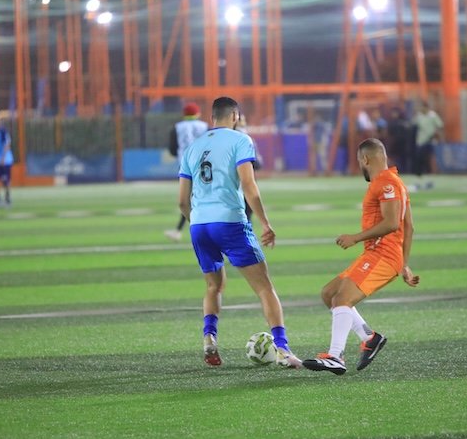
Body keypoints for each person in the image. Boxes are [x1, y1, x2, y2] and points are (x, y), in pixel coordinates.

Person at [178, 96, 301, 368]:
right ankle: (283, 349)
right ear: (235, 116)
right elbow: (249, 184)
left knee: (214, 286)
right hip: (230, 222)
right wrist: (265, 222)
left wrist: (197, 221)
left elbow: (182, 202)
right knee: (264, 288)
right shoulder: (241, 140)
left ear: (212, 118)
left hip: (199, 226)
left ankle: (209, 338)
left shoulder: (193, 147)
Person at [303, 138, 419, 376]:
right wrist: (404, 264)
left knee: (342, 298)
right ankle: (369, 337)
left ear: (365, 159)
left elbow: (392, 223)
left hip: (382, 255)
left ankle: (335, 356)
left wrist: (355, 237)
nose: (359, 167)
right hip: (380, 254)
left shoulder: (386, 183)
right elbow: (409, 227)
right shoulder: (393, 182)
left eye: (359, 162)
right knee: (329, 294)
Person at [165, 102, 208, 241]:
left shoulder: (177, 127)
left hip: (185, 167)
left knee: (187, 201)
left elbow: (172, 150)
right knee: (203, 198)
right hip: (204, 165)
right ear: (197, 113)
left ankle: (188, 230)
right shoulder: (205, 126)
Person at [412, 100, 444, 189]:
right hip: (420, 142)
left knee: (427, 161)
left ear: (426, 107)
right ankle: (418, 181)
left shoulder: (432, 116)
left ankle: (429, 181)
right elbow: (413, 125)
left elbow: (440, 126)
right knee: (419, 161)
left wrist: (436, 135)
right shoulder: (419, 116)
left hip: (429, 142)